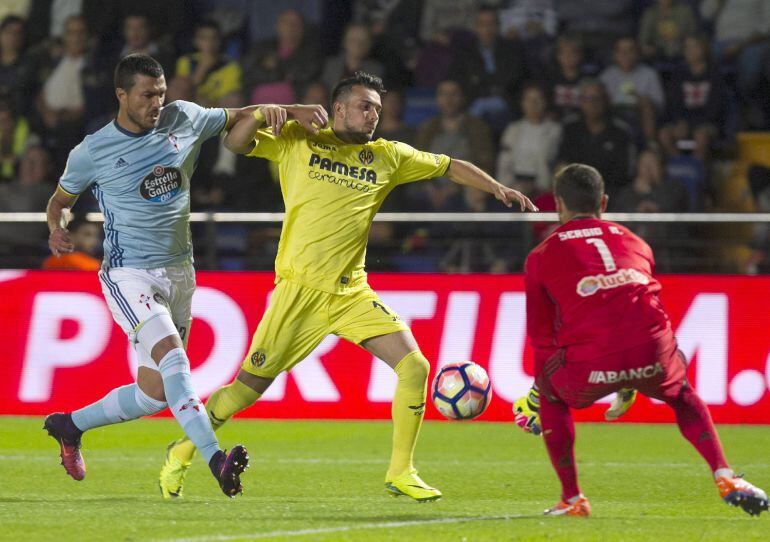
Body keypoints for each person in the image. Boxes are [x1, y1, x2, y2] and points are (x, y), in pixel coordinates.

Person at [158, 71, 537, 502]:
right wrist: (265, 111)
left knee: (415, 367)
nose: (373, 114)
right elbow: (236, 142)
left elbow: (450, 166)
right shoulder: (300, 137)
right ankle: (183, 452)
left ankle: (401, 471)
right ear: (338, 108)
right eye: (364, 105)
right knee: (243, 392)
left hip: (351, 292)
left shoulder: (388, 156)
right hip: (299, 292)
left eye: (377, 107)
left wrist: (496, 187)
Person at [41, 53, 324, 498]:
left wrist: (293, 110)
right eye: (146, 94)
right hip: (128, 274)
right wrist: (56, 229)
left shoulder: (185, 117)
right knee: (174, 358)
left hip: (180, 272)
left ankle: (68, 425)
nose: (157, 102)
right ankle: (215, 459)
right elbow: (59, 201)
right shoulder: (92, 150)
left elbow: (240, 117)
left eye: (161, 92)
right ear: (121, 95)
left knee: (154, 393)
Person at [513, 163, 768, 517]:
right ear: (603, 201)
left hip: (592, 363)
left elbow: (542, 338)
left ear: (558, 205)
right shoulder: (637, 242)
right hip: (652, 351)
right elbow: (637, 307)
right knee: (681, 392)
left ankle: (572, 499)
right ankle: (725, 475)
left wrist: (541, 392)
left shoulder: (540, 256)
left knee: (554, 398)